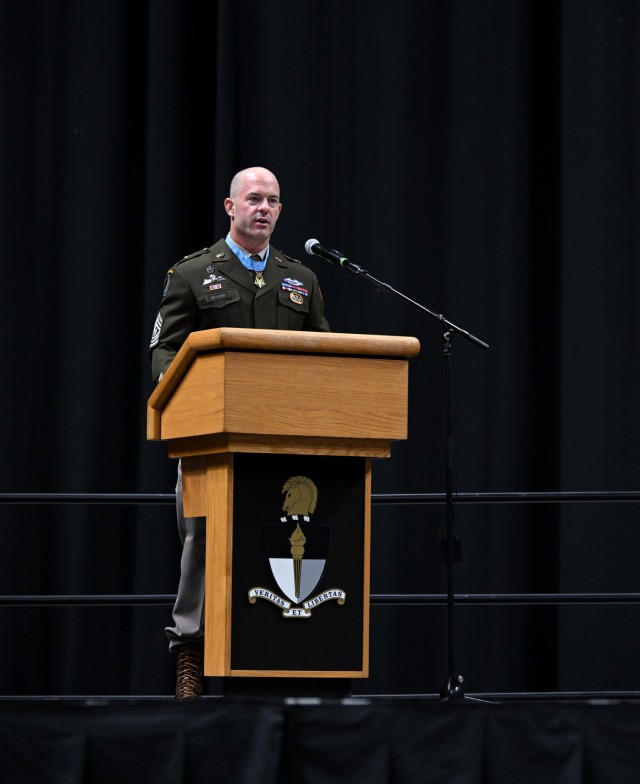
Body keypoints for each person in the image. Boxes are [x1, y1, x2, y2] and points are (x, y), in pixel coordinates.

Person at [149, 166, 331, 699]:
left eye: (273, 201)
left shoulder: (302, 279)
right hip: (212, 436)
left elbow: (323, 350)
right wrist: (182, 389)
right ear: (230, 208)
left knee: (277, 537)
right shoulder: (192, 273)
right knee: (201, 542)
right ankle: (190, 651)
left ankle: (274, 655)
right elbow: (165, 348)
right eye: (253, 199)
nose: (264, 208)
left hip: (283, 438)